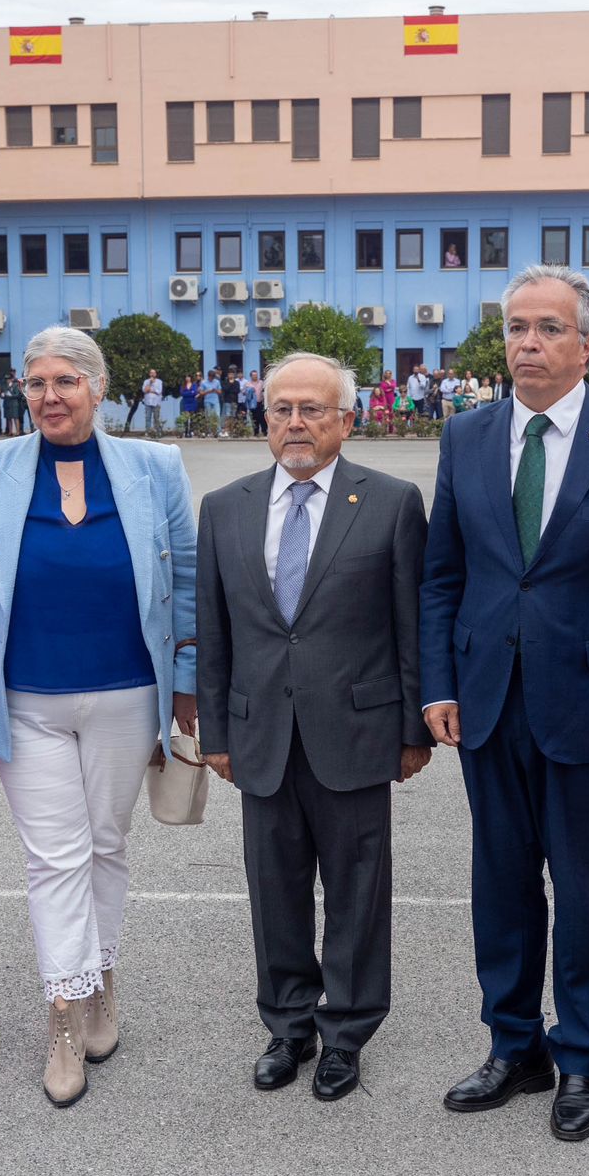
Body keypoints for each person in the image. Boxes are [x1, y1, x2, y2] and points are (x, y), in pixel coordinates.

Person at [421, 264, 589, 1143]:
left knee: (581, 890)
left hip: (588, 704)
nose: (526, 344)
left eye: (546, 328)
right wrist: (439, 683)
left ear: (587, 344)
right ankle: (513, 1045)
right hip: (487, 700)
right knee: (499, 883)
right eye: (514, 328)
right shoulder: (465, 436)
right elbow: (443, 577)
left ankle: (580, 1055)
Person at [0, 325, 197, 1108]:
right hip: (25, 696)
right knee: (53, 855)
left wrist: (187, 685)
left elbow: (186, 579)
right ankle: (64, 1009)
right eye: (35, 383)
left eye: (64, 381)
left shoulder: (154, 465)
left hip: (129, 691)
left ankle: (101, 978)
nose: (48, 397)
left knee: (103, 842)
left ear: (98, 388)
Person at [195, 352, 432, 1100]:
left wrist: (414, 729)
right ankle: (289, 1025)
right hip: (259, 731)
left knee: (358, 890)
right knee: (275, 887)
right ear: (264, 419)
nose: (295, 423)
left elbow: (410, 625)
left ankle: (346, 1032)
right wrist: (216, 734)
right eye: (281, 410)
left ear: (346, 420)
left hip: (356, 733)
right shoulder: (226, 507)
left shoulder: (391, 503)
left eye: (312, 410)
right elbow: (215, 627)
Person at [141, 367, 165, 433]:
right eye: (151, 373)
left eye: (154, 373)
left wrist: (151, 390)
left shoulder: (159, 382)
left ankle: (157, 432)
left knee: (156, 418)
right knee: (148, 417)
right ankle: (148, 431)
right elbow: (144, 390)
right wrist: (150, 383)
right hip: (148, 402)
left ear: (156, 374)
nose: (152, 374)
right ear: (149, 374)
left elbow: (159, 391)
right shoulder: (146, 381)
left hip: (156, 402)